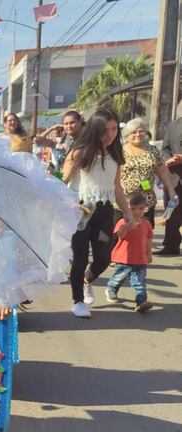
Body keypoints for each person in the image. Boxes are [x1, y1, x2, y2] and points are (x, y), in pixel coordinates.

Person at [63, 108, 134, 319]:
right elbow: (64, 179)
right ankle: (77, 301)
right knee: (80, 257)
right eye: (105, 130)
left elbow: (116, 186)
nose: (110, 134)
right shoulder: (80, 151)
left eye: (113, 129)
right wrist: (72, 162)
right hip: (81, 210)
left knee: (104, 257)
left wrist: (127, 212)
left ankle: (87, 280)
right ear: (95, 129)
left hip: (104, 210)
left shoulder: (115, 153)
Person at [119, 118, 176, 228]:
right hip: (123, 203)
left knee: (144, 236)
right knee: (121, 237)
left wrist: (171, 191)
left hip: (146, 203)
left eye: (141, 131)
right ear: (126, 135)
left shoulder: (153, 150)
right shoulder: (119, 151)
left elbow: (163, 171)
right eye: (133, 132)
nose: (138, 134)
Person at [106, 192, 154, 312]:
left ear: (145, 208)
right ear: (126, 208)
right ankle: (111, 289)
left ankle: (141, 302)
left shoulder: (147, 224)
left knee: (139, 282)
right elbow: (119, 235)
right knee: (118, 279)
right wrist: (127, 226)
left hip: (140, 260)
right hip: (123, 259)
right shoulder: (122, 222)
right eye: (132, 209)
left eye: (141, 208)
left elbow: (148, 240)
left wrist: (149, 253)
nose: (137, 212)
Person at [157, 104, 182, 255]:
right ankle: (171, 245)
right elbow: (165, 149)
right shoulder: (173, 126)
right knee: (173, 213)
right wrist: (169, 160)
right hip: (175, 178)